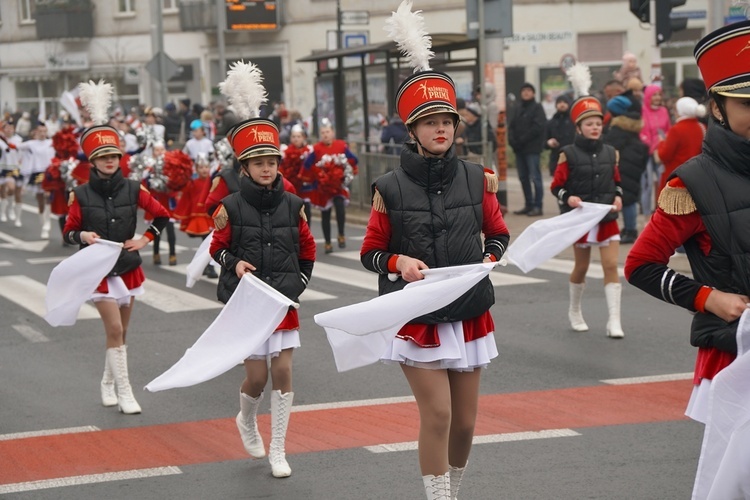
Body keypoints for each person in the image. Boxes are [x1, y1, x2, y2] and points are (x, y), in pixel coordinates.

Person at [362, 5, 510, 498]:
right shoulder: (389, 185)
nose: (441, 129)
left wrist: (490, 258)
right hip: (419, 315)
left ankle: (456, 491)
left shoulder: (477, 176)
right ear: (412, 131)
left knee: (466, 424)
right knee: (440, 415)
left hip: (469, 311)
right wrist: (398, 262)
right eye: (429, 123)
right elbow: (371, 252)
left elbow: (498, 233)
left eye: (446, 120)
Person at [624, 20, 750, 492]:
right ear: (716, 107)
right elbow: (639, 266)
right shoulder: (690, 184)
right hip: (736, 355)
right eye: (746, 104)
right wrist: (708, 298)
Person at [210, 61, 316, 478]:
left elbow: (308, 250)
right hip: (248, 301)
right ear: (245, 169)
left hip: (283, 300)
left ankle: (279, 448)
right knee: (256, 378)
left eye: (272, 161)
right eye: (259, 163)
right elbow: (217, 250)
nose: (267, 168)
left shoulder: (294, 205)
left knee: (284, 371)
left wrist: (300, 282)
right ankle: (246, 418)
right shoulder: (230, 206)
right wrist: (235, 265)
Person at [63, 80, 169, 414]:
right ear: (92, 162)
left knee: (121, 331)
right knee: (113, 328)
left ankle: (107, 382)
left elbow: (163, 215)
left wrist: (144, 239)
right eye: (103, 157)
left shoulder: (134, 188)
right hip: (97, 270)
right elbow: (68, 231)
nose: (110, 161)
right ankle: (126, 392)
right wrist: (83, 237)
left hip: (127, 266)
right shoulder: (80, 194)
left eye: (114, 155)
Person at [550, 90, 625, 338]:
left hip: (606, 217)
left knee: (611, 264)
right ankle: (574, 310)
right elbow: (557, 186)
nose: (595, 128)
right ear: (579, 127)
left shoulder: (611, 152)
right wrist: (568, 198)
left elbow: (617, 183)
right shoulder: (568, 153)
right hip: (581, 218)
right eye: (589, 124)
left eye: (598, 124)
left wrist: (618, 198)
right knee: (581, 268)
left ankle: (614, 320)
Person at [303, 120, 358, 253]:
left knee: (340, 207)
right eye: (323, 133)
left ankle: (341, 234)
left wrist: (346, 172)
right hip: (323, 187)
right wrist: (315, 176)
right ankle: (327, 242)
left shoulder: (341, 146)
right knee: (325, 214)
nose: (325, 135)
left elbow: (353, 159)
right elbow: (307, 165)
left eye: (327, 132)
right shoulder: (317, 149)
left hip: (337, 185)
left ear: (332, 133)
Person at [603, 94, 649, 244]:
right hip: (634, 163)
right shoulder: (632, 123)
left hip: (624, 164)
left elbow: (609, 145)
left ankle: (630, 230)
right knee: (630, 198)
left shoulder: (617, 127)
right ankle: (629, 228)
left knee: (627, 199)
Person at [173, 153, 217, 278]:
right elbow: (186, 199)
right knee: (208, 243)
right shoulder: (192, 183)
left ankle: (203, 266)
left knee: (208, 243)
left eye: (206, 167)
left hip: (210, 217)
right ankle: (210, 267)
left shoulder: (213, 181)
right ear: (197, 169)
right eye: (201, 167)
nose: (204, 170)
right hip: (199, 217)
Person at [508, 82, 547, 216]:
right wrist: (512, 141)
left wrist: (522, 139)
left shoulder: (537, 107)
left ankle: (538, 206)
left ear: (533, 93)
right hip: (519, 149)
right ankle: (528, 204)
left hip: (532, 149)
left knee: (535, 177)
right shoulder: (517, 108)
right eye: (524, 90)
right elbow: (511, 126)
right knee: (523, 177)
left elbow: (538, 127)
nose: (526, 93)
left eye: (529, 90)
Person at [655, 96, 706, 198]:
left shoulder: (676, 130)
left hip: (674, 177)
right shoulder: (702, 127)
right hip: (695, 177)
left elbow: (664, 155)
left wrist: (660, 143)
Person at [17, 123, 55, 238]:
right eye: (40, 131)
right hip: (37, 174)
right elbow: (16, 146)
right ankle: (43, 224)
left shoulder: (51, 142)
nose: (43, 133)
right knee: (40, 201)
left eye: (45, 131)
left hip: (49, 172)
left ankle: (47, 224)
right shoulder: (31, 144)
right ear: (36, 132)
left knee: (48, 197)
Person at [639, 84, 671, 215]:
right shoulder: (643, 111)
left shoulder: (664, 110)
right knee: (646, 184)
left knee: (663, 181)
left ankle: (661, 212)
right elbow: (642, 131)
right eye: (654, 95)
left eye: (659, 95)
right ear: (648, 97)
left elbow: (668, 128)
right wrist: (651, 143)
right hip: (647, 152)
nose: (657, 98)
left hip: (662, 151)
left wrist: (666, 139)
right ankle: (646, 214)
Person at [280, 124, 314, 221]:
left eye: (298, 136)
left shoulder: (309, 152)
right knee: (293, 209)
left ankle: (308, 230)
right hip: (292, 184)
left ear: (303, 138)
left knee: (306, 208)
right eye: (294, 137)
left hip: (305, 185)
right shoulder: (285, 151)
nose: (296, 139)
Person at [544, 94, 576, 176]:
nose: (562, 104)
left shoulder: (574, 121)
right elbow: (544, 141)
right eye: (560, 102)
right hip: (557, 158)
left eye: (565, 102)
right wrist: (549, 143)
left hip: (573, 158)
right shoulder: (551, 122)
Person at [0, 117, 23, 225]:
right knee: (3, 190)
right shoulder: (1, 139)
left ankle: (15, 214)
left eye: (11, 128)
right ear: (3, 129)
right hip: (3, 167)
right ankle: (3, 212)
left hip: (15, 168)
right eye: (7, 128)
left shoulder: (19, 140)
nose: (9, 130)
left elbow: (23, 154)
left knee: (15, 191)